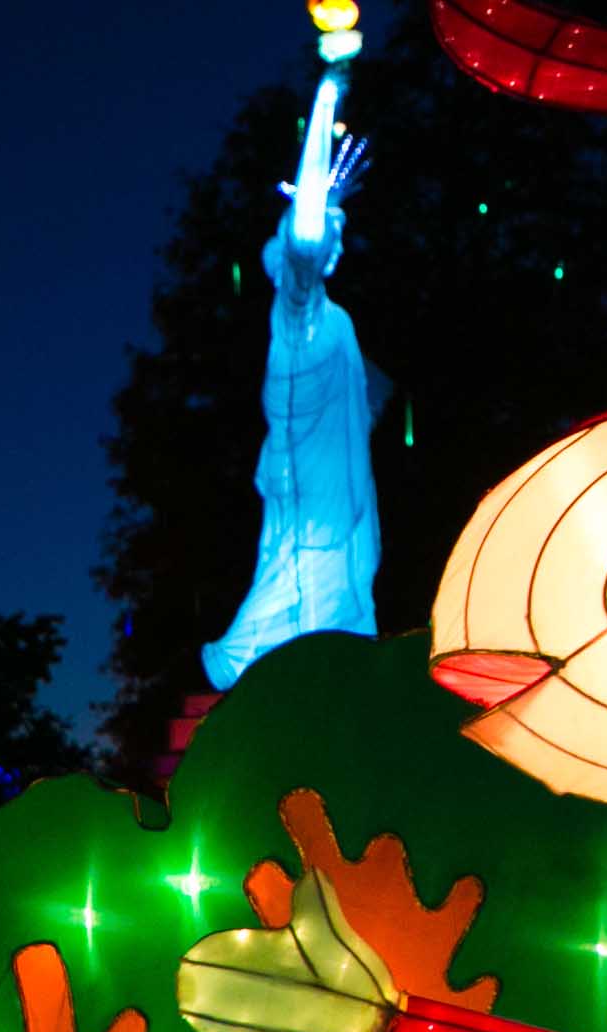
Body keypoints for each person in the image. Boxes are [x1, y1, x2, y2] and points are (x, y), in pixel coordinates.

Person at [200, 61, 379, 693]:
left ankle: (311, 675)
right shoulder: (297, 311)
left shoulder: (335, 320)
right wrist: (327, 99)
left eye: (338, 229)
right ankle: (256, 671)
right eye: (324, 227)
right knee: (303, 573)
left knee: (334, 575)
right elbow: (305, 222)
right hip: (308, 489)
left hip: (333, 489)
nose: (331, 234)